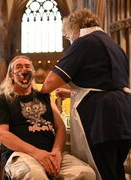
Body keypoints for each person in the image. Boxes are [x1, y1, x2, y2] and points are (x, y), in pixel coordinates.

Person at [41, 8, 131, 180]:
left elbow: (49, 84)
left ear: (75, 29)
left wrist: (39, 92)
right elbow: (106, 82)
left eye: (68, 36)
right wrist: (72, 93)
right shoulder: (115, 45)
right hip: (124, 113)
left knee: (102, 171)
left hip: (101, 117)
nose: (70, 40)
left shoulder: (83, 42)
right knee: (115, 169)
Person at [0, 55, 96, 179]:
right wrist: (37, 153)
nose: (24, 69)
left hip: (51, 153)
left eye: (28, 66)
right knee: (35, 175)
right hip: (21, 154)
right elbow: (2, 135)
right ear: (12, 75)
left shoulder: (44, 96)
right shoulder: (2, 100)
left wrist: (56, 152)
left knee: (86, 173)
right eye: (19, 67)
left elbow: (60, 126)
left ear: (33, 73)